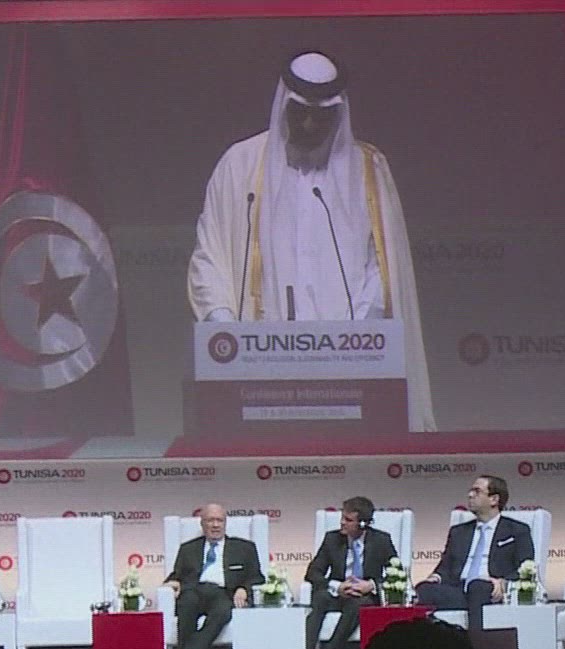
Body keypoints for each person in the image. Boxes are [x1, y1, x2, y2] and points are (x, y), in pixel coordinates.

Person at [186, 50, 434, 431]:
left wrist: (352, 339)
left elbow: (383, 269)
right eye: (299, 111)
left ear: (338, 113)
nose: (308, 123)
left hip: (350, 373)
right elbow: (209, 259)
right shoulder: (239, 165)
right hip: (257, 373)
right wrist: (231, 336)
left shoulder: (367, 170)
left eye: (321, 116)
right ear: (283, 105)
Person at [414, 475, 533, 630]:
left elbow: (526, 567)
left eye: (477, 491)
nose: (470, 495)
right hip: (458, 589)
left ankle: (476, 641)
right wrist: (435, 577)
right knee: (423, 589)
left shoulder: (517, 530)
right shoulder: (458, 532)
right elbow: (445, 566)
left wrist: (502, 582)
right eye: (470, 491)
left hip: (489, 588)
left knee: (477, 587)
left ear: (494, 499)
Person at [164, 503, 261, 649]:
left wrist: (244, 589)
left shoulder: (244, 548)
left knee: (223, 610)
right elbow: (177, 575)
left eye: (219, 520)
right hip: (194, 590)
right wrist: (173, 583)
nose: (215, 525)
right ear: (202, 524)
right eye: (210, 520)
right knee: (186, 605)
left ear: (225, 523)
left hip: (224, 592)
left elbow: (257, 577)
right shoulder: (188, 548)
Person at [302, 495, 398, 649]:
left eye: (348, 520)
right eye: (342, 517)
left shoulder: (381, 541)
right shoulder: (332, 539)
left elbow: (396, 575)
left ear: (363, 524)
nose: (342, 523)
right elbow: (313, 572)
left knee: (359, 604)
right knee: (320, 598)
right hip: (337, 593)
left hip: (363, 596)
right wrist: (337, 586)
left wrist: (371, 585)